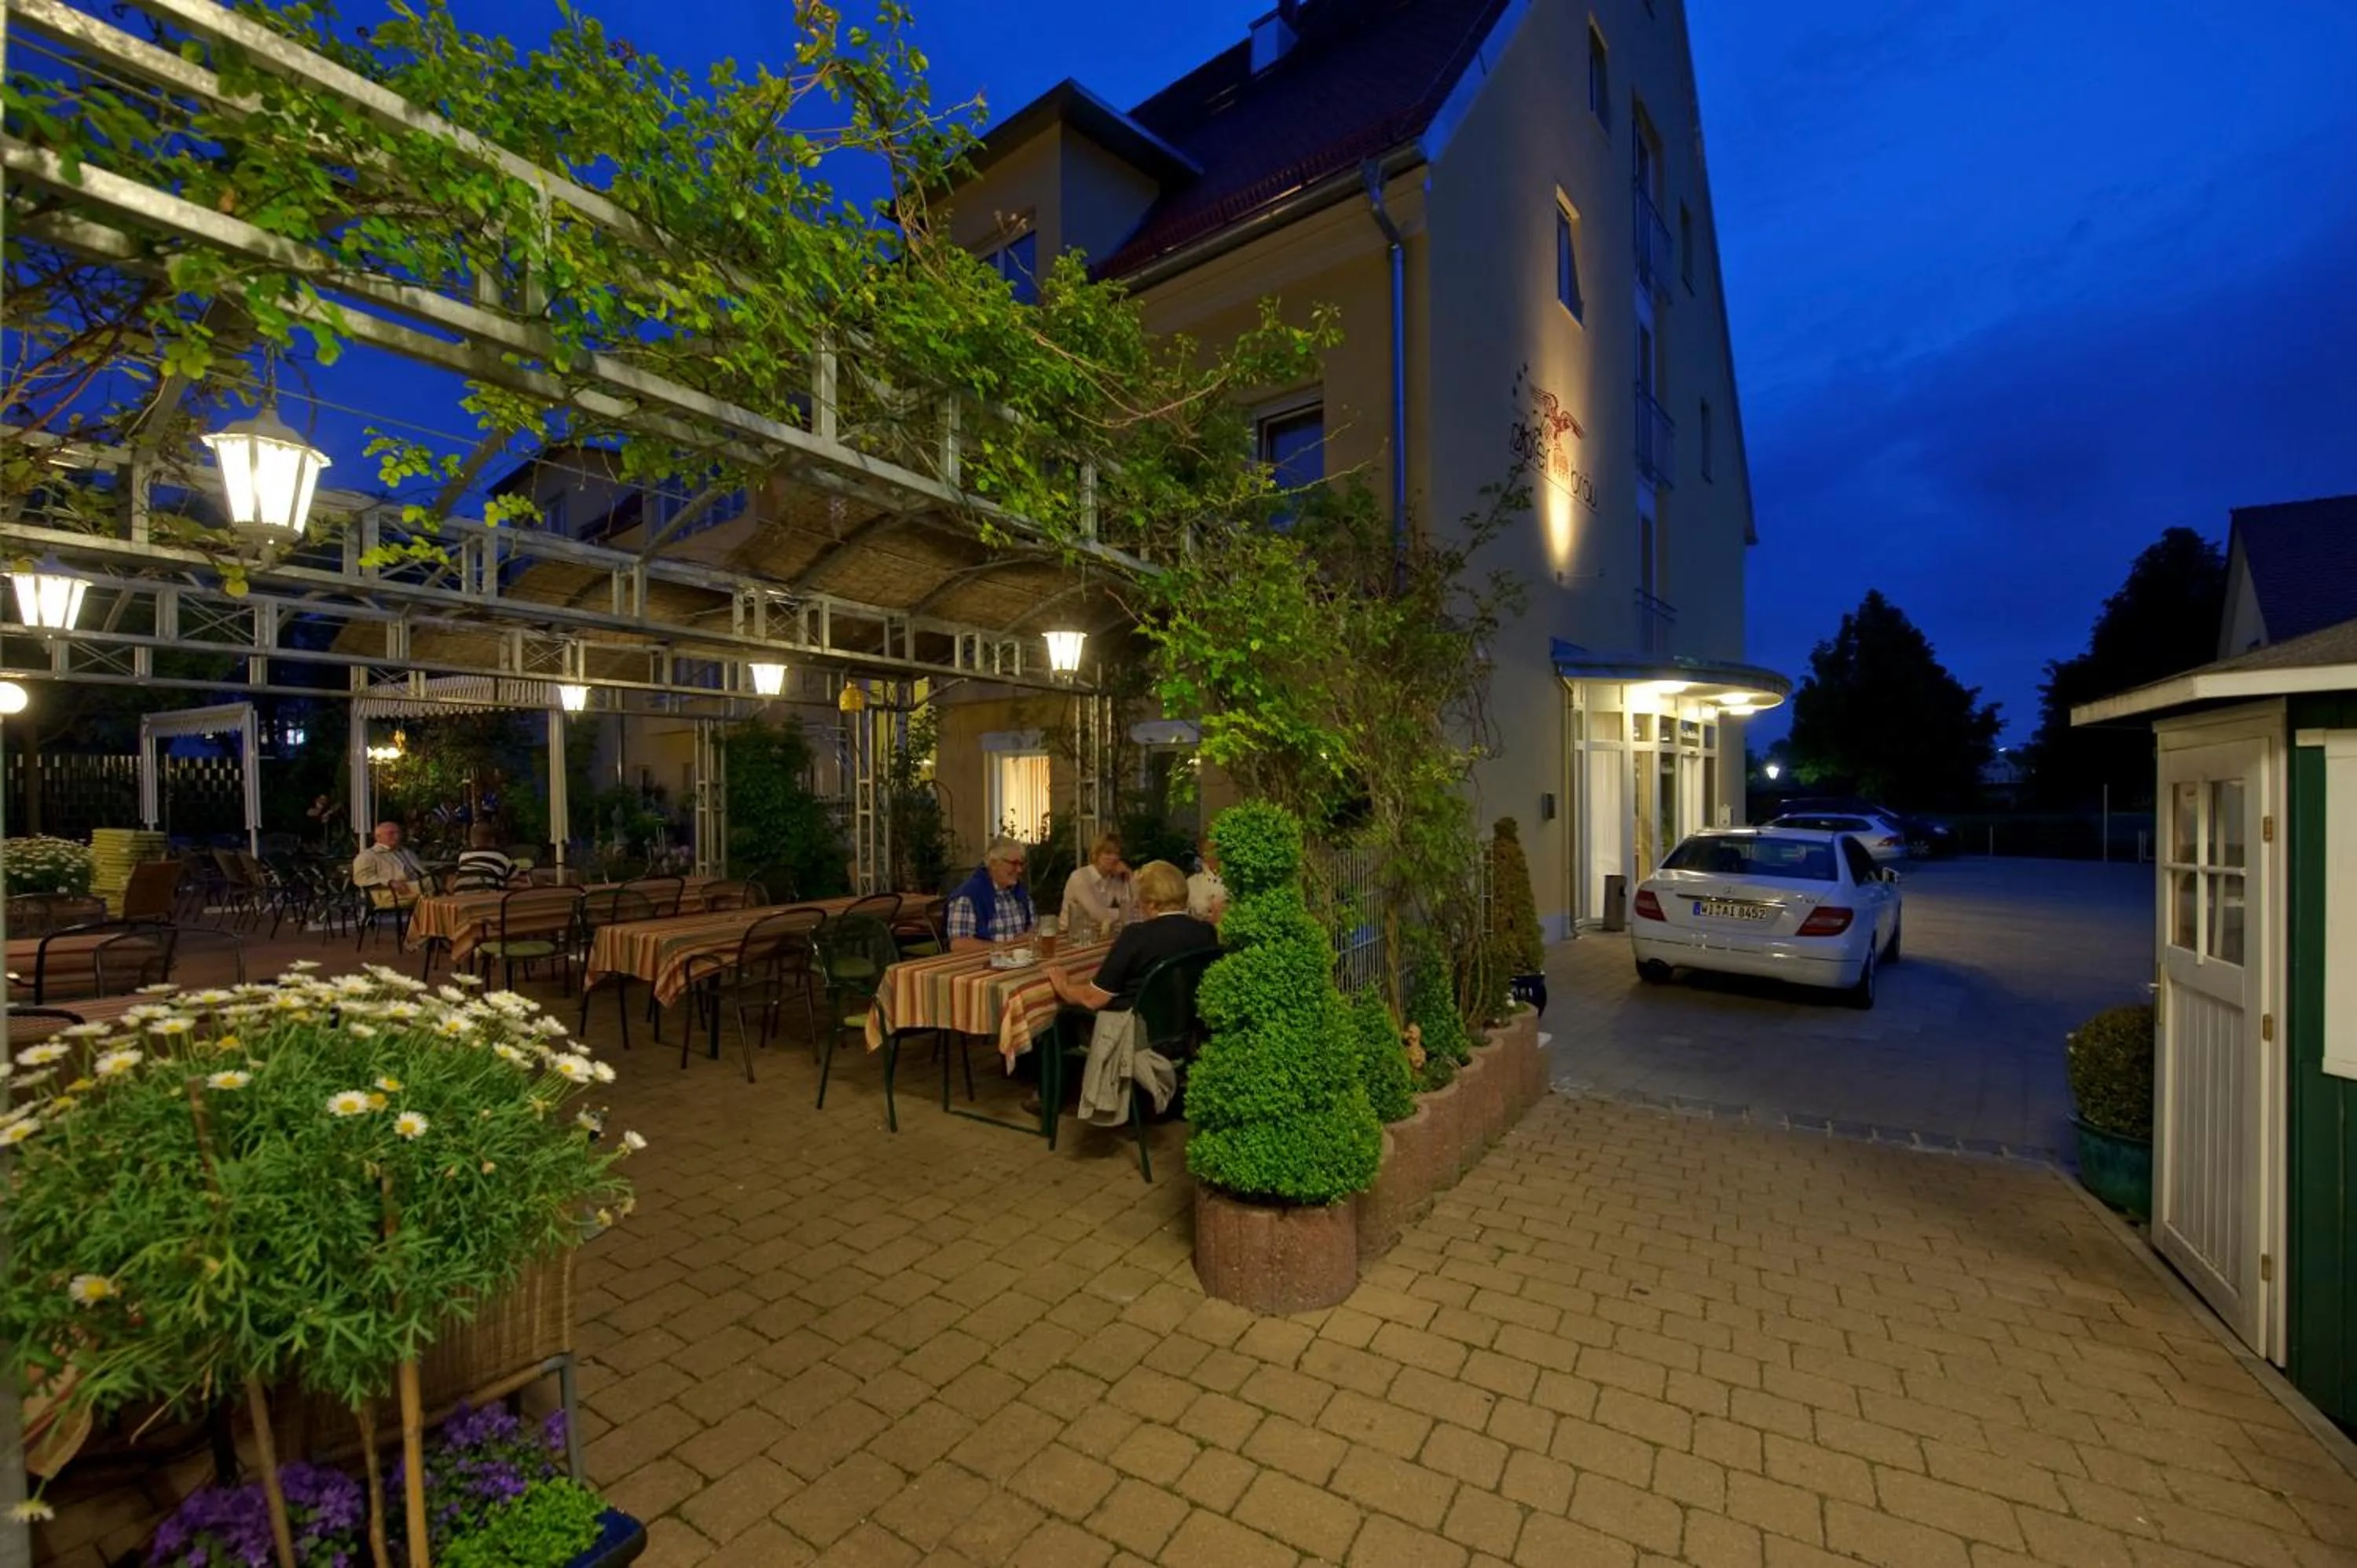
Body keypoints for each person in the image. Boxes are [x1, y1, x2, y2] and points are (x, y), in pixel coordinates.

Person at [1047, 860, 1219, 1128]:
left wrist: (1064, 987)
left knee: (1060, 1018)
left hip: (1139, 1036)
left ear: (1149, 902)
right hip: (1185, 1030)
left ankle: (1050, 1101)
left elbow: (1095, 998)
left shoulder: (1137, 936)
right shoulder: (1205, 932)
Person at [946, 837, 1036, 951]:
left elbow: (1033, 929)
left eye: (1021, 864)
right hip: (982, 965)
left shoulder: (1020, 893)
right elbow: (959, 945)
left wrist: (1029, 937)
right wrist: (1004, 948)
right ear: (994, 864)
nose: (1019, 870)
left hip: (1020, 962)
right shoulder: (968, 896)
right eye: (1014, 863)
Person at [1060, 833, 1135, 945]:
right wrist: (1125, 914)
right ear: (1096, 855)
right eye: (1108, 853)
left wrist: (1130, 876)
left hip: (1096, 936)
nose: (1114, 858)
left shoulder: (1115, 877)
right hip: (1068, 936)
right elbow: (1097, 914)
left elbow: (1134, 904)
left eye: (1117, 854)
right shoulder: (1080, 877)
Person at [351, 820, 427, 906]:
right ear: (378, 837)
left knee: (436, 882)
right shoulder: (368, 856)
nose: (397, 836)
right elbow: (361, 879)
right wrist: (389, 882)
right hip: (391, 893)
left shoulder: (406, 852)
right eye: (391, 833)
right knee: (431, 885)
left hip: (415, 886)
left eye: (398, 833)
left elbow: (423, 872)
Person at [453, 820, 519, 888]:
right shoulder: (501, 855)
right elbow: (514, 875)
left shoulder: (463, 855)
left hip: (461, 891)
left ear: (472, 842)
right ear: (493, 840)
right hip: (490, 891)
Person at [1186, 837, 1228, 925]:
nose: (1215, 854)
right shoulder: (1191, 883)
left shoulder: (1235, 881)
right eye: (1210, 849)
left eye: (1218, 848)